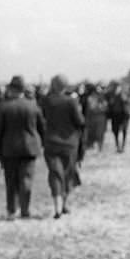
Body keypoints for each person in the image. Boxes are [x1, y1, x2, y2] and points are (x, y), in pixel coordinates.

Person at [0, 76, 45, 219]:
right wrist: (43, 144)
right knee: (26, 180)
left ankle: (11, 210)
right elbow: (42, 127)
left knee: (11, 181)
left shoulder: (4, 106)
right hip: (30, 148)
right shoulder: (33, 105)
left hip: (9, 149)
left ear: (12, 89)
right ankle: (25, 209)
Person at [40, 74, 86, 219]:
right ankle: (64, 203)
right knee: (67, 174)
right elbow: (80, 121)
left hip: (51, 143)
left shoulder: (46, 101)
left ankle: (57, 207)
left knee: (55, 174)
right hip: (69, 144)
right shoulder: (70, 102)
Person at [106, 82, 130, 153]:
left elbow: (127, 103)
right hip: (115, 116)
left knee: (124, 131)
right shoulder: (111, 95)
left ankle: (123, 146)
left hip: (124, 116)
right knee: (115, 131)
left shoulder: (123, 95)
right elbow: (110, 105)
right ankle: (117, 146)